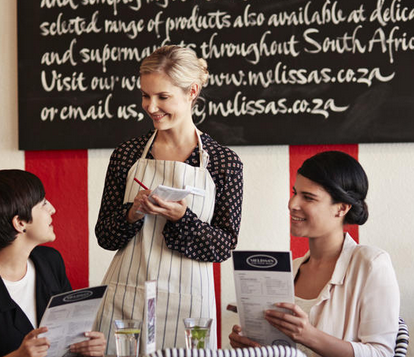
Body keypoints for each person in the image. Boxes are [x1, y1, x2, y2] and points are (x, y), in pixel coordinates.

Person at [95, 45, 243, 353]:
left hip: (188, 304)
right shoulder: (127, 154)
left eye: (163, 97)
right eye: (145, 96)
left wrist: (182, 218)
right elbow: (105, 236)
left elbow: (223, 246)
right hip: (127, 298)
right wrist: (131, 213)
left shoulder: (223, 162)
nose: (150, 107)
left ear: (192, 91)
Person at [229, 151, 400, 357]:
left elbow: (382, 353)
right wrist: (253, 348)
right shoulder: (290, 269)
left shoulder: (371, 264)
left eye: (308, 197)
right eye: (295, 193)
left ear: (342, 208)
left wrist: (309, 335)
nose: (292, 204)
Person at [0, 170, 106, 357]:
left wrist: (86, 348)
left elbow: (67, 340)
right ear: (20, 222)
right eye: (43, 203)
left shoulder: (50, 261)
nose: (52, 209)